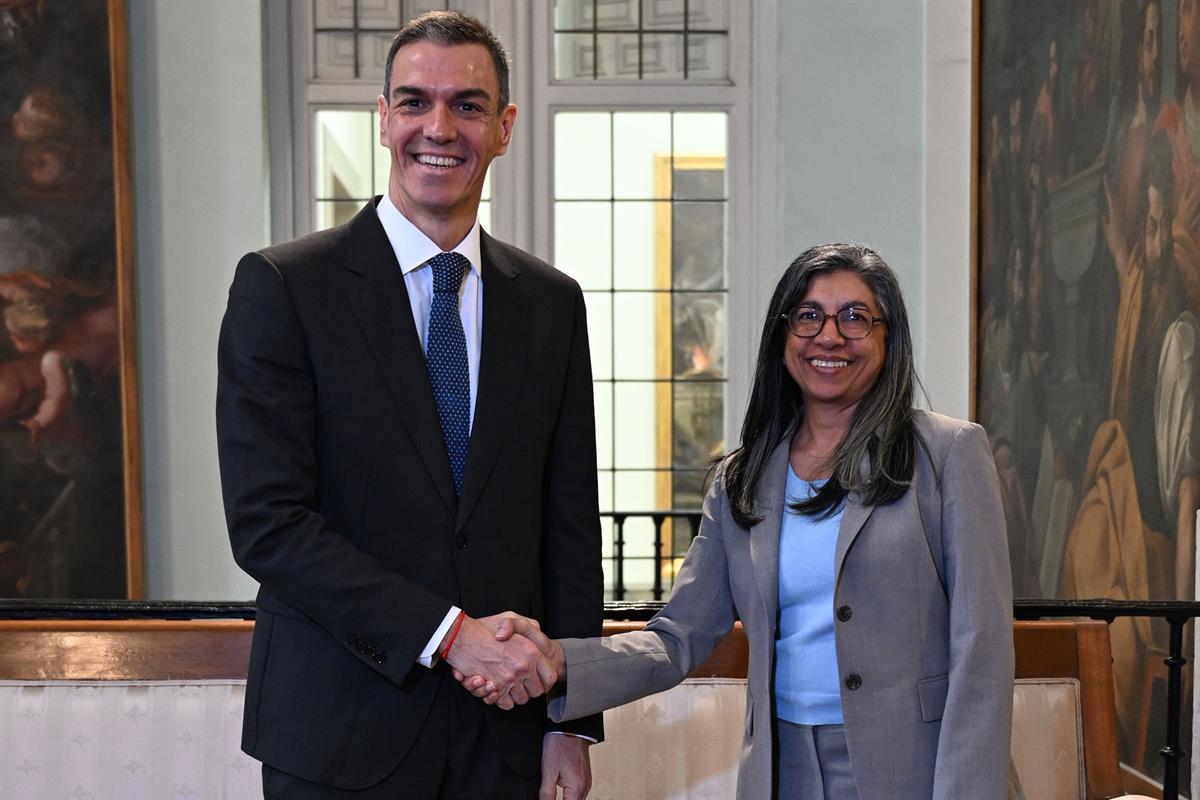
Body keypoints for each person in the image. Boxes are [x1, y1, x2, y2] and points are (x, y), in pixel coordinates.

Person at [462, 244, 1015, 799]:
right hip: (783, 771)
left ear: (887, 338)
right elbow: (677, 638)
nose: (829, 336)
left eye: (855, 317)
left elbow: (982, 648)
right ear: (782, 337)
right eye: (807, 316)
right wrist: (560, 661)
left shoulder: (947, 454)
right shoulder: (741, 481)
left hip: (915, 768)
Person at [216, 11, 603, 799]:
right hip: (339, 733)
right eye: (415, 101)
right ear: (384, 119)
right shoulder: (286, 287)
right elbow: (268, 524)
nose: (440, 127)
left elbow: (569, 525)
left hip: (509, 738)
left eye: (467, 104)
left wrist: (570, 720)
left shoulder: (552, 304)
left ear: (504, 127)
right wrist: (449, 635)